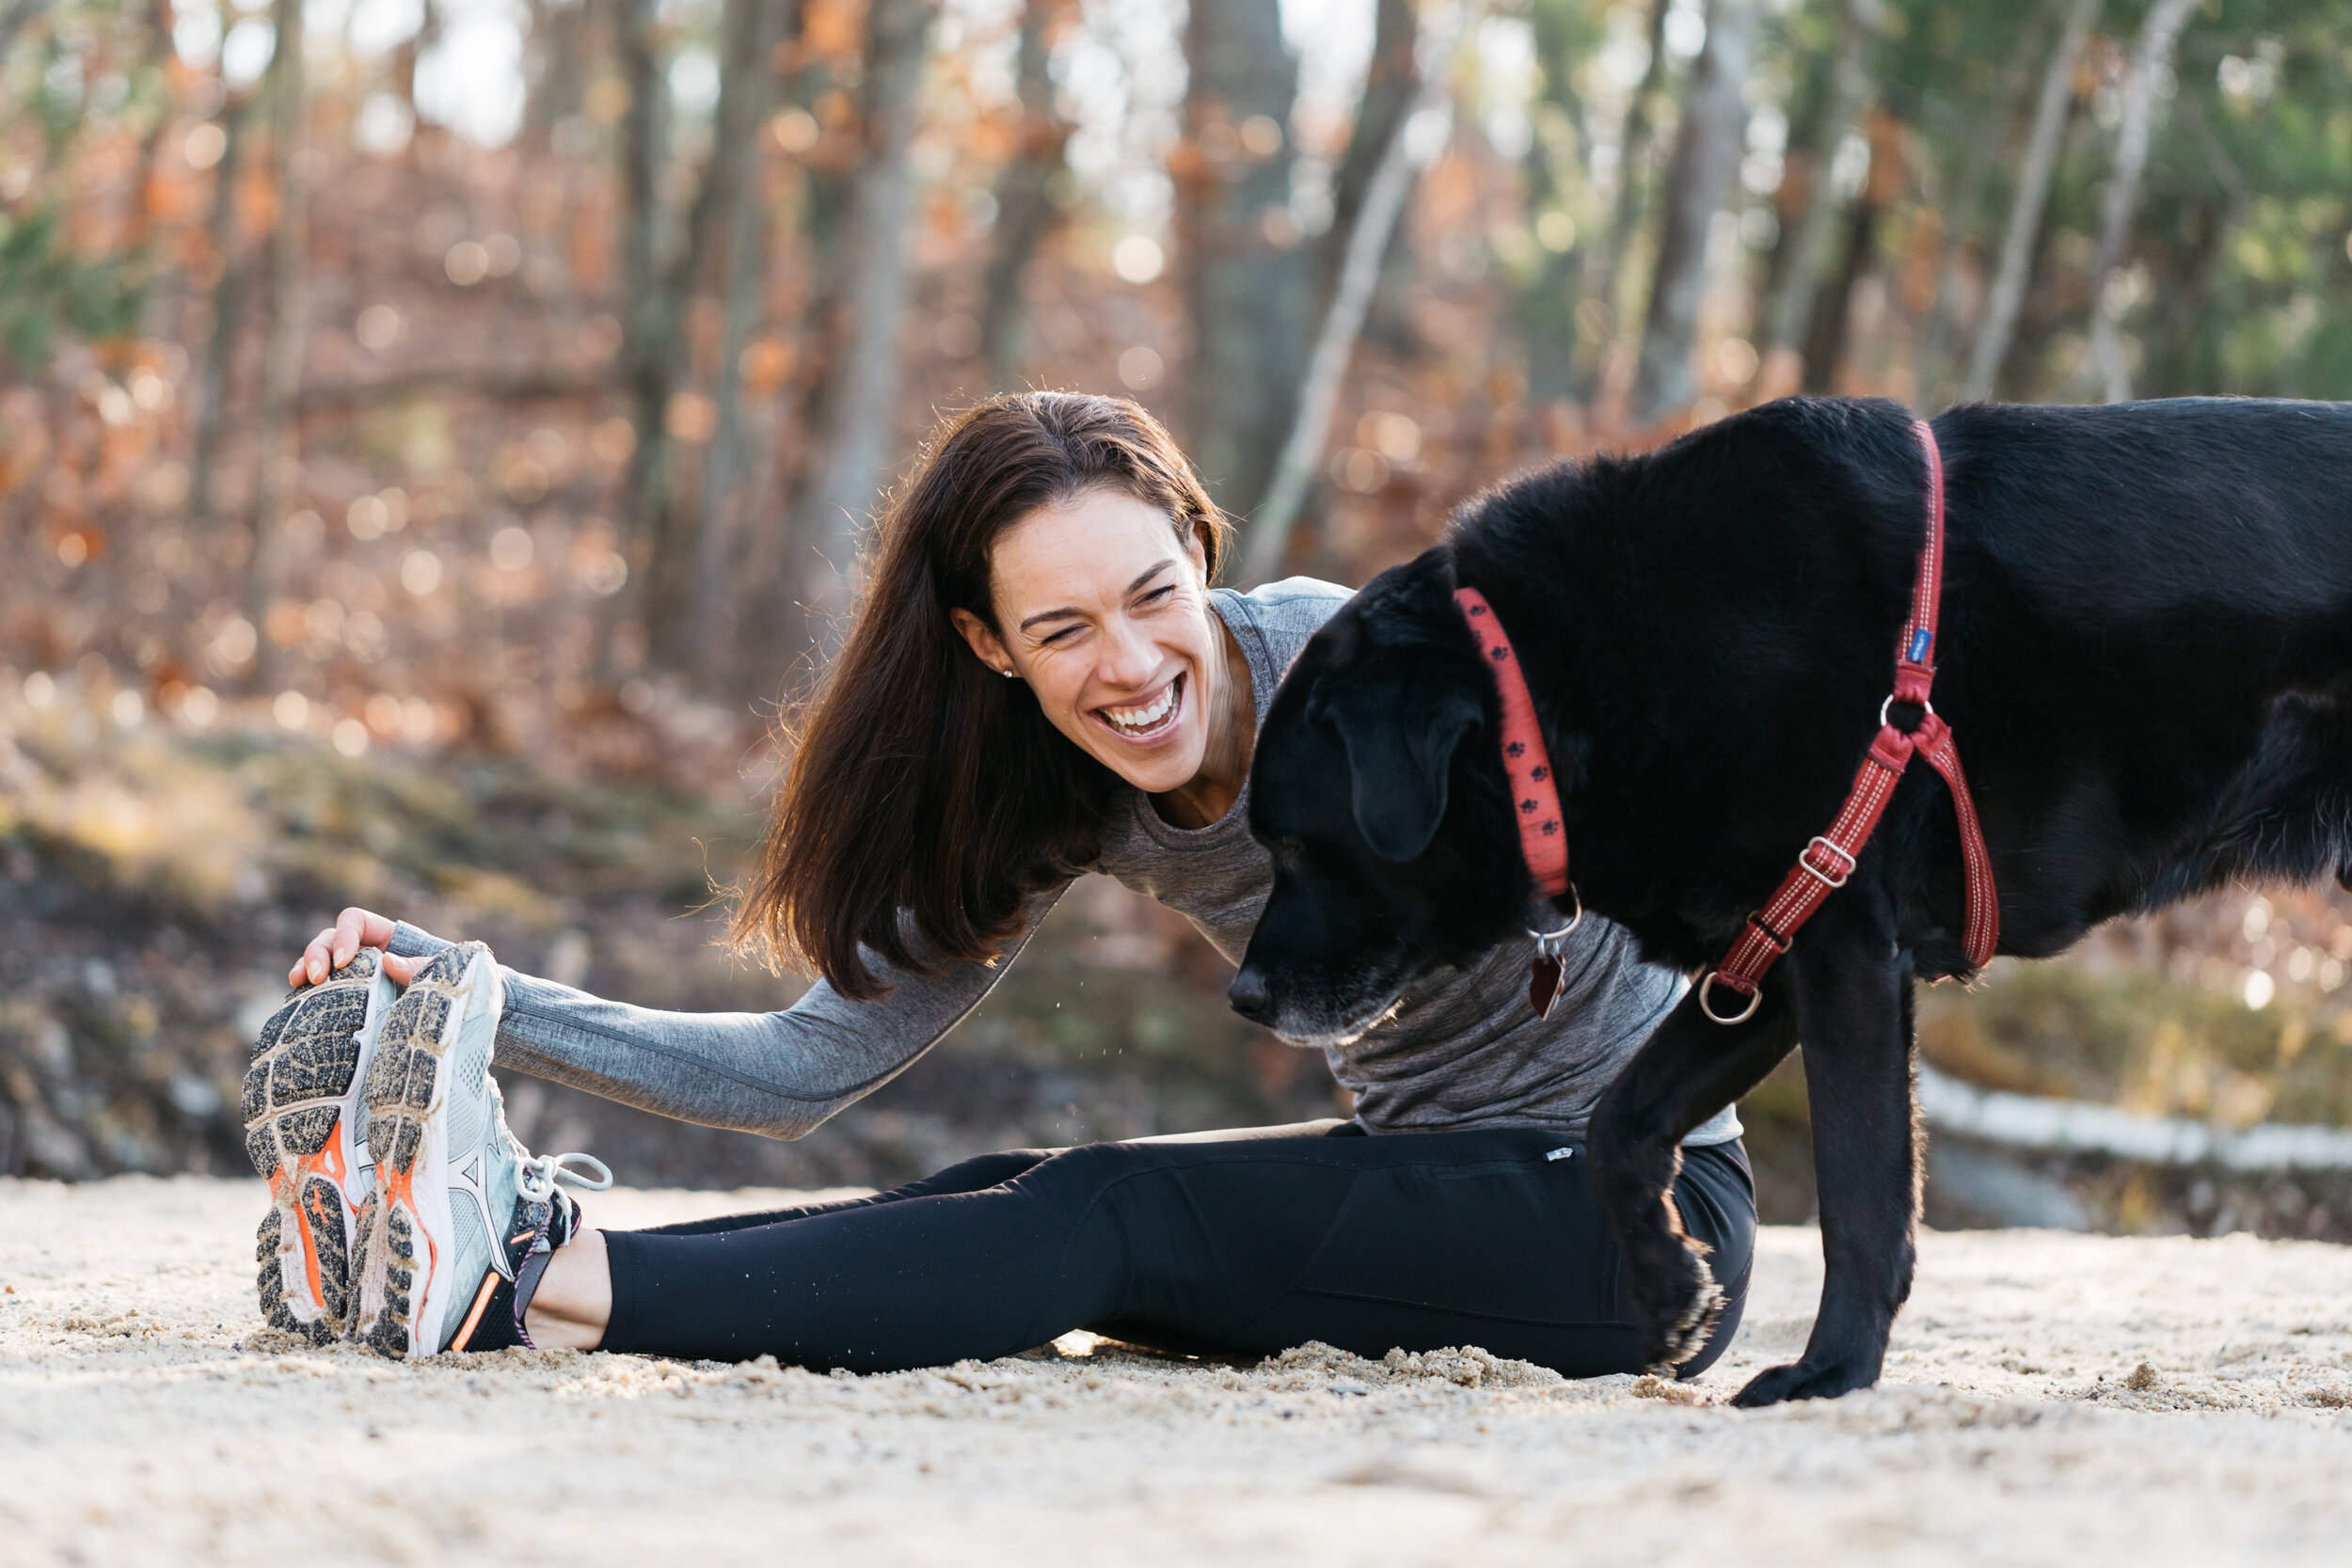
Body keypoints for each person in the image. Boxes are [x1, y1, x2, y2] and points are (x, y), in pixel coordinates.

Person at [249, 391, 1754, 1373]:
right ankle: (505, 1243)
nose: (1131, 667)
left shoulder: (1383, 673)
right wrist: (473, 1003)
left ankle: (534, 1293)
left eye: (1156, 596)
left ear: (1199, 549)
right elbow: (797, 1073)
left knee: (1109, 1210)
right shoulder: (1052, 791)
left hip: (1638, 1217)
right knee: (995, 1199)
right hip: (1454, 1185)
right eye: (1065, 631)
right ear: (990, 646)